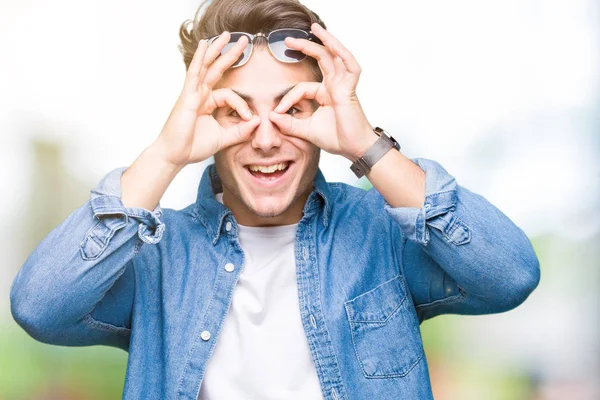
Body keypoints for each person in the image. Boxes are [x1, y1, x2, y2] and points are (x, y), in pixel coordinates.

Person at [9, 0, 541, 399]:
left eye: (293, 107)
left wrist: (366, 145)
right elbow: (39, 307)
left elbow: (510, 273)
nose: (265, 137)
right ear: (203, 120)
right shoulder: (158, 259)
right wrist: (166, 154)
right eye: (235, 111)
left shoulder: (381, 237)